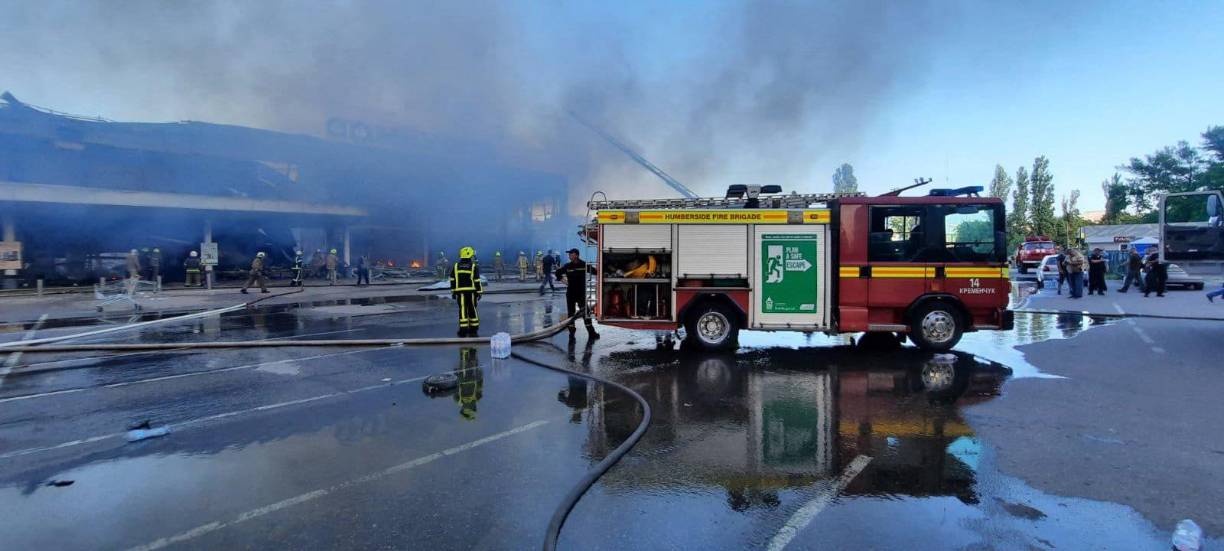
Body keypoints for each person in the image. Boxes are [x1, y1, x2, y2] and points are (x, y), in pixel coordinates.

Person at [555, 248, 600, 339]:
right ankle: (571, 333)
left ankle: (591, 333)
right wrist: (564, 281)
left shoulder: (584, 265)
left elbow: (595, 272)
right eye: (569, 254)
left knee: (585, 313)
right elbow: (558, 273)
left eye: (571, 254)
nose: (569, 256)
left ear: (576, 255)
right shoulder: (567, 266)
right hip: (570, 293)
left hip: (581, 294)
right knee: (571, 314)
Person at [449, 246, 483, 337]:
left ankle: (463, 329)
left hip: (460, 292)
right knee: (472, 308)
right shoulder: (473, 266)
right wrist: (479, 292)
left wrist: (453, 291)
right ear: (469, 256)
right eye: (472, 256)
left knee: (462, 309)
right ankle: (474, 328)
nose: (472, 257)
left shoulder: (456, 266)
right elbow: (477, 280)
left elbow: (452, 279)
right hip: (471, 292)